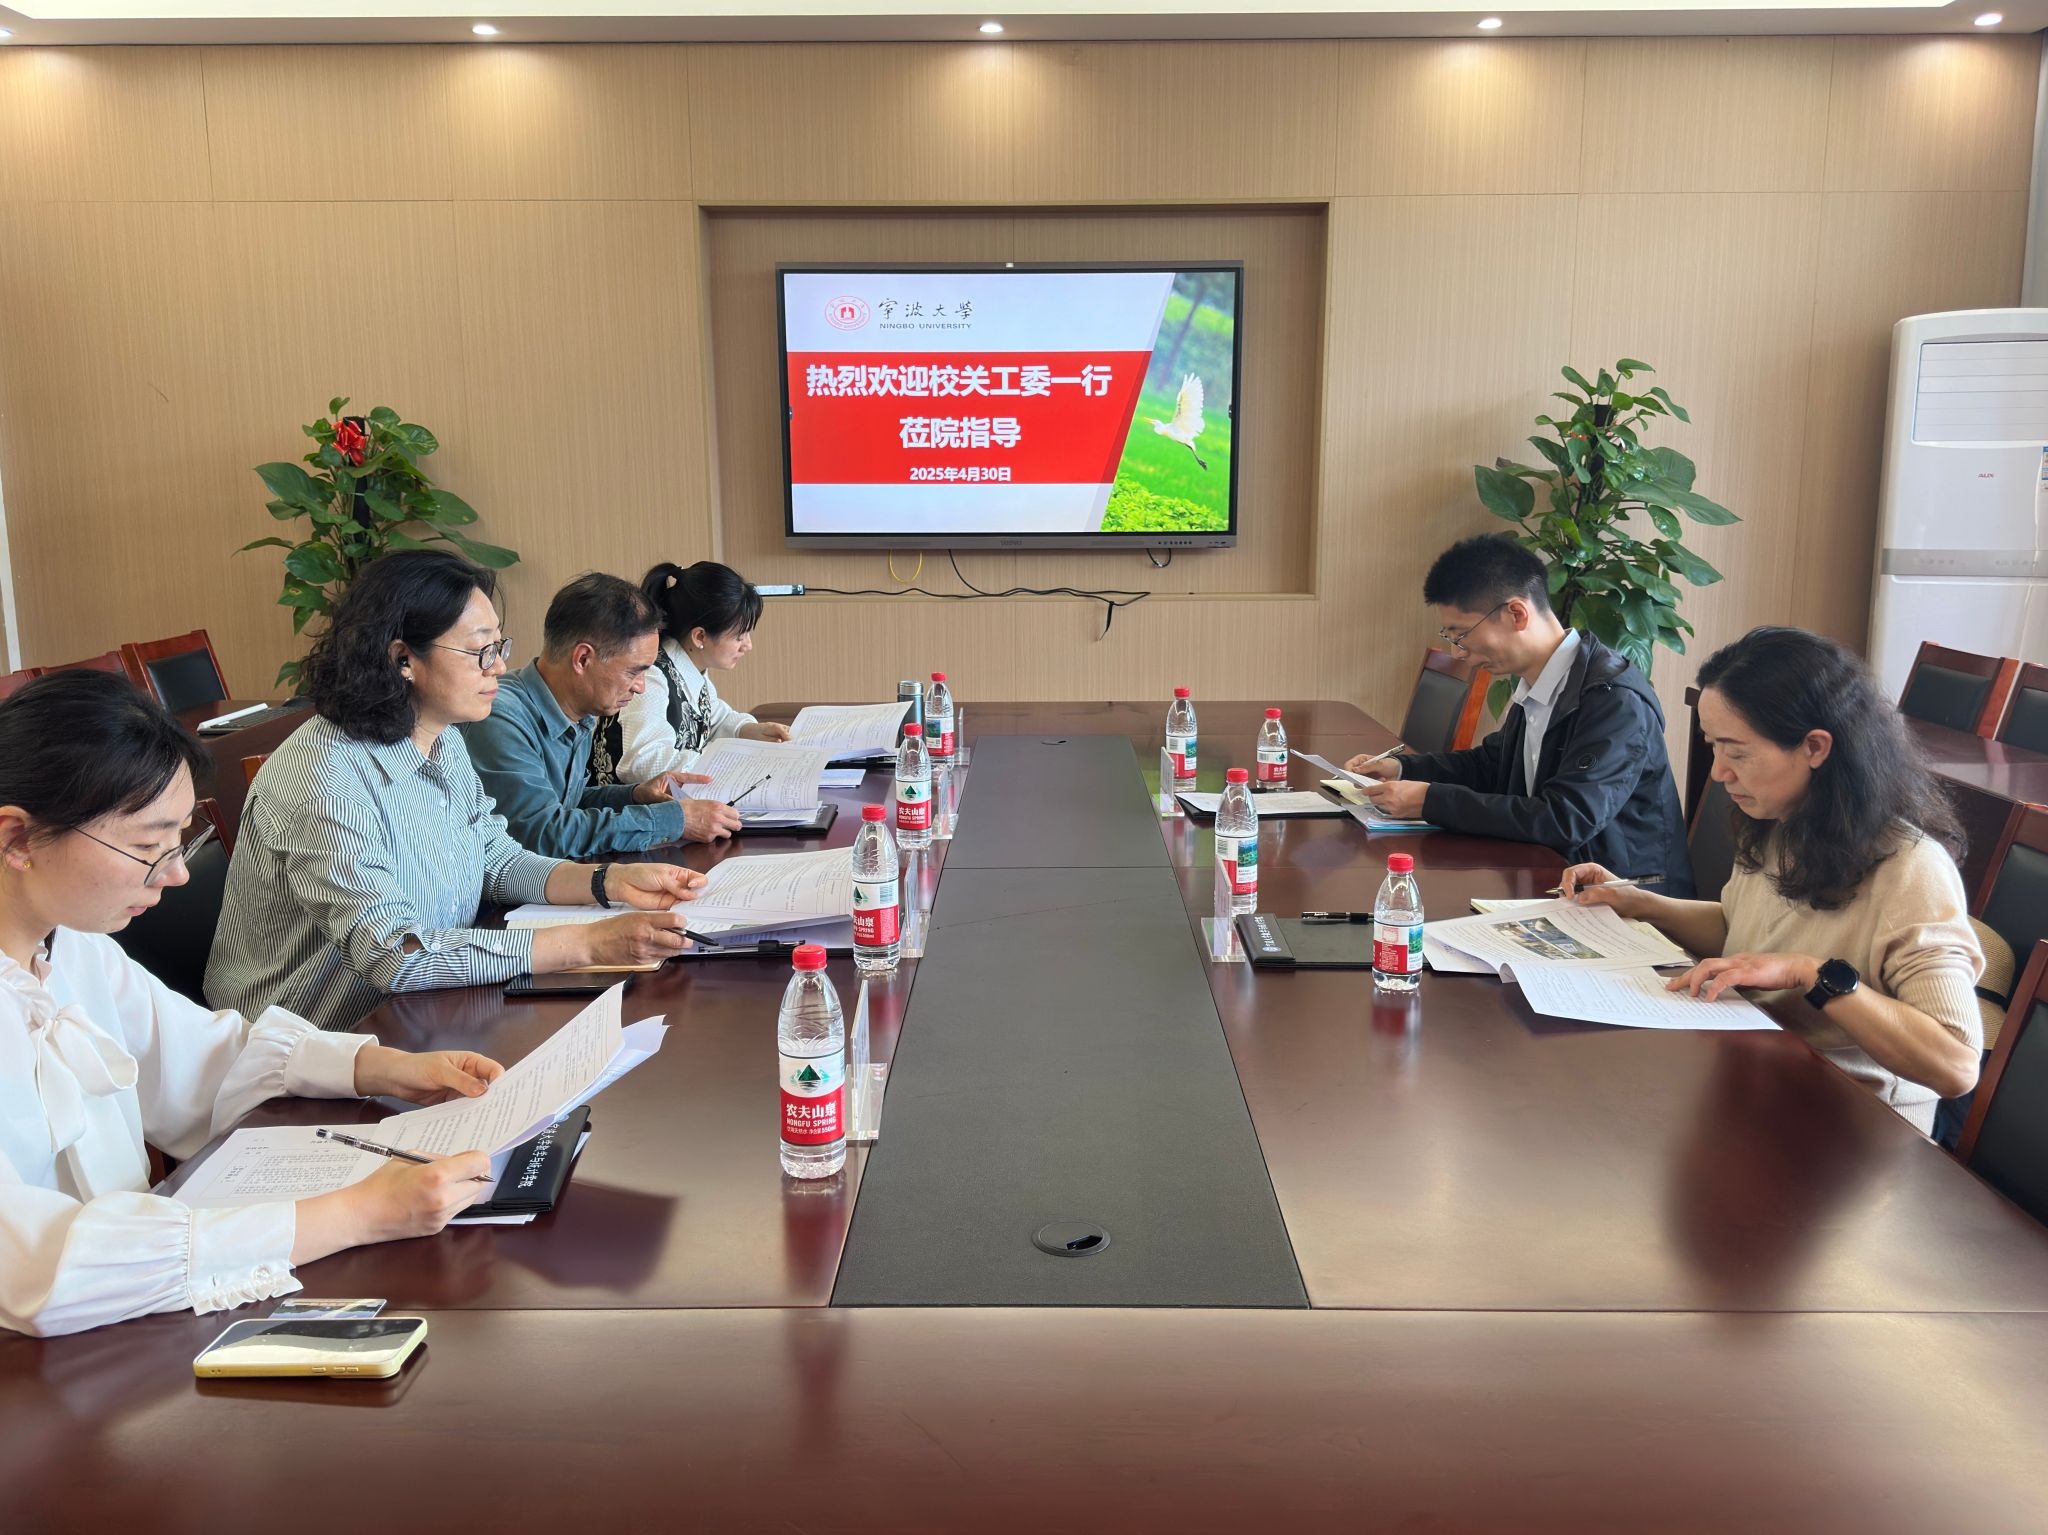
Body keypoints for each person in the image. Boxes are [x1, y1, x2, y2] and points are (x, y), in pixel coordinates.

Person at [0, 671, 504, 1336]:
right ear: (16, 839)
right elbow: (36, 1266)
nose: (177, 872)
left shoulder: (71, 946)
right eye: (148, 846)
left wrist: (382, 1067)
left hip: (127, 1319)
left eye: (179, 840)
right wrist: (358, 1213)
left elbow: (203, 1058)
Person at [206, 550, 704, 1032]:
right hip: (309, 1039)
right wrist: (587, 943)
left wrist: (612, 882)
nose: (499, 667)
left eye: (500, 647)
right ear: (403, 658)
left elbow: (498, 862)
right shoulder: (324, 778)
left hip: (423, 1011)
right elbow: (394, 953)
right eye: (481, 651)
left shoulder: (442, 740)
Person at [1564, 626, 1983, 1134]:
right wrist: (1637, 902)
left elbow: (1955, 1065)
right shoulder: (1779, 821)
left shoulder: (1910, 868)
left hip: (1856, 1126)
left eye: (1737, 753)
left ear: (1815, 747)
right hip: (1761, 1081)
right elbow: (1744, 934)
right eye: (1714, 747)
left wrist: (1812, 974)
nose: (1719, 773)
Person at [1346, 535, 1692, 892]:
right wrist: (1402, 768)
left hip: (1627, 900)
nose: (1459, 653)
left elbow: (1566, 819)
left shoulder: (1613, 699)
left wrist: (1432, 801)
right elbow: (1492, 765)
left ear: (1516, 614)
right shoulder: (1543, 681)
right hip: (1553, 879)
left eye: (1462, 635)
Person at [461, 573, 743, 858]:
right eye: (634, 672)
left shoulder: (579, 710)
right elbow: (540, 833)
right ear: (583, 658)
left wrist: (636, 795)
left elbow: (566, 803)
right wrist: (674, 820)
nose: (641, 687)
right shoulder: (501, 717)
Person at [593, 560, 790, 788]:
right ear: (700, 637)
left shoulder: (690, 669)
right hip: (622, 806)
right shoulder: (651, 677)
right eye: (739, 636)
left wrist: (748, 729)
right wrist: (726, 765)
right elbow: (643, 763)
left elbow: (715, 718)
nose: (748, 646)